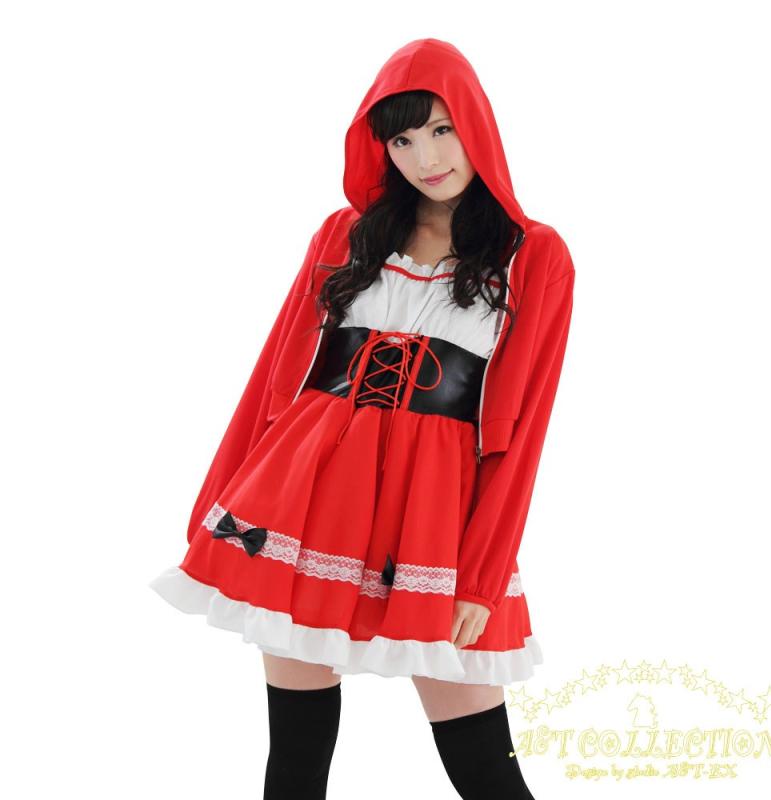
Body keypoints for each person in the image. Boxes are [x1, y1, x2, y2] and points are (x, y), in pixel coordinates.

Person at [150, 37, 576, 800]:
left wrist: (480, 578)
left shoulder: (534, 255)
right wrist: (216, 504)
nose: (425, 157)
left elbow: (522, 430)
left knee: (485, 767)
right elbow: (277, 381)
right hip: (307, 501)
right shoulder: (345, 233)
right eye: (402, 140)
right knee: (297, 757)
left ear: (476, 124)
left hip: (432, 514)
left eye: (441, 129)